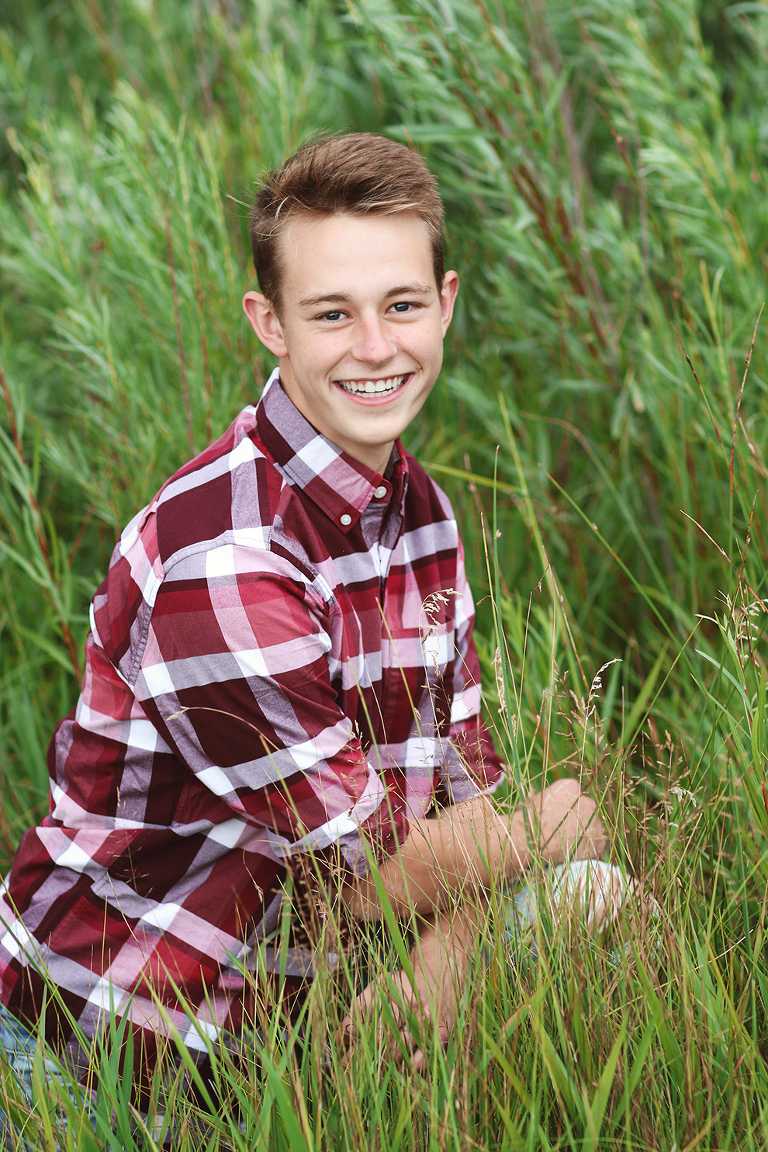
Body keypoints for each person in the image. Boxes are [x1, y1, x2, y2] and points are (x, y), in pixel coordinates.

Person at [0, 133, 607, 1108]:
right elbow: (360, 878)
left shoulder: (417, 513)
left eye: (401, 305)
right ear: (270, 323)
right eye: (332, 313)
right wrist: (557, 820)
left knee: (602, 902)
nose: (376, 347)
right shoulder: (227, 558)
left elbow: (466, 798)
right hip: (103, 1055)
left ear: (446, 303)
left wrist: (453, 949)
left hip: (284, 1026)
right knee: (572, 867)